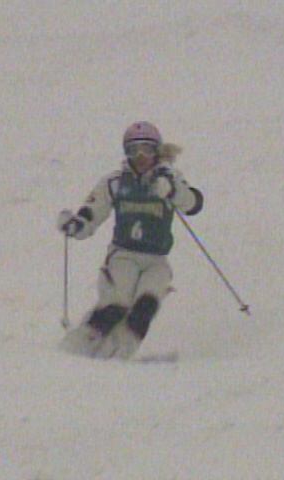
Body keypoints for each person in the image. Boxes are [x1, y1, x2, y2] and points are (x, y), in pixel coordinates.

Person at [57, 121, 204, 359]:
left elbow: (194, 204)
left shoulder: (167, 179)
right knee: (117, 302)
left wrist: (173, 191)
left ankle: (120, 351)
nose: (141, 156)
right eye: (133, 150)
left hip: (156, 259)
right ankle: (76, 348)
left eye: (147, 149)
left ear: (157, 151)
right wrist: (76, 226)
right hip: (124, 255)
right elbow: (92, 213)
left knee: (146, 304)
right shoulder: (115, 183)